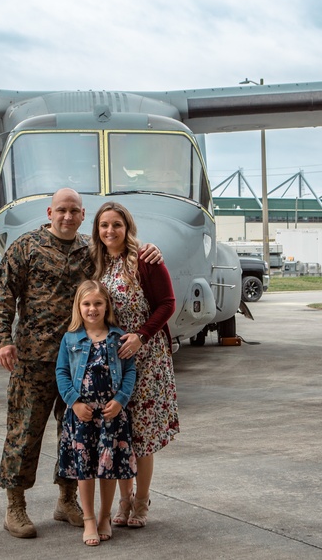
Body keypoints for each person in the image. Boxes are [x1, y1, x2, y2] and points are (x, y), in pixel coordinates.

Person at [0, 188, 161, 539]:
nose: (67, 216)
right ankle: (15, 505)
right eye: (61, 210)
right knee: (24, 432)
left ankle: (67, 500)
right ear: (50, 212)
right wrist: (0, 339)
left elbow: (119, 255)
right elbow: (2, 292)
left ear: (83, 215)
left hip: (84, 363)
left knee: (77, 436)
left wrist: (149, 250)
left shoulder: (89, 250)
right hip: (33, 358)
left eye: (74, 211)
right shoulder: (26, 246)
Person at [89, 201, 179, 529]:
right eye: (104, 225)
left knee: (141, 436)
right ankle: (123, 502)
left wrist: (141, 335)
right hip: (111, 364)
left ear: (127, 228)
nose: (110, 231)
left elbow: (168, 303)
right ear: (97, 231)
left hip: (147, 358)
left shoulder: (144, 259)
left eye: (117, 225)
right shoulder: (95, 265)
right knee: (118, 435)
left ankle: (142, 501)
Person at [55, 280, 137, 546]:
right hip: (82, 416)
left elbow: (130, 371)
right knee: (85, 469)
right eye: (87, 304)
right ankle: (88, 518)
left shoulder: (118, 337)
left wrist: (121, 400)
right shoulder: (70, 339)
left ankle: (104, 516)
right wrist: (74, 402)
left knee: (108, 467)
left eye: (98, 303)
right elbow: (62, 372)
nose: (92, 309)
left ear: (107, 306)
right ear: (79, 307)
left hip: (112, 415)